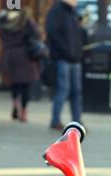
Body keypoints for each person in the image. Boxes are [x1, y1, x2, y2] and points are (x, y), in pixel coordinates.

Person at [0, 5, 43, 122]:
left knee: (14, 83)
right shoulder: (25, 19)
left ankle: (15, 103)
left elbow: (0, 36)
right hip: (24, 55)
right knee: (25, 85)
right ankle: (24, 112)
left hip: (9, 55)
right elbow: (36, 34)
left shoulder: (3, 20)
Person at [46, 0, 83, 131]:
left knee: (76, 91)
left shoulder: (73, 13)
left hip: (75, 59)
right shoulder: (56, 11)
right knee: (63, 89)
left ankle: (77, 122)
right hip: (63, 58)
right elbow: (52, 33)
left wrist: (78, 52)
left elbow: (77, 35)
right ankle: (55, 120)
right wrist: (65, 50)